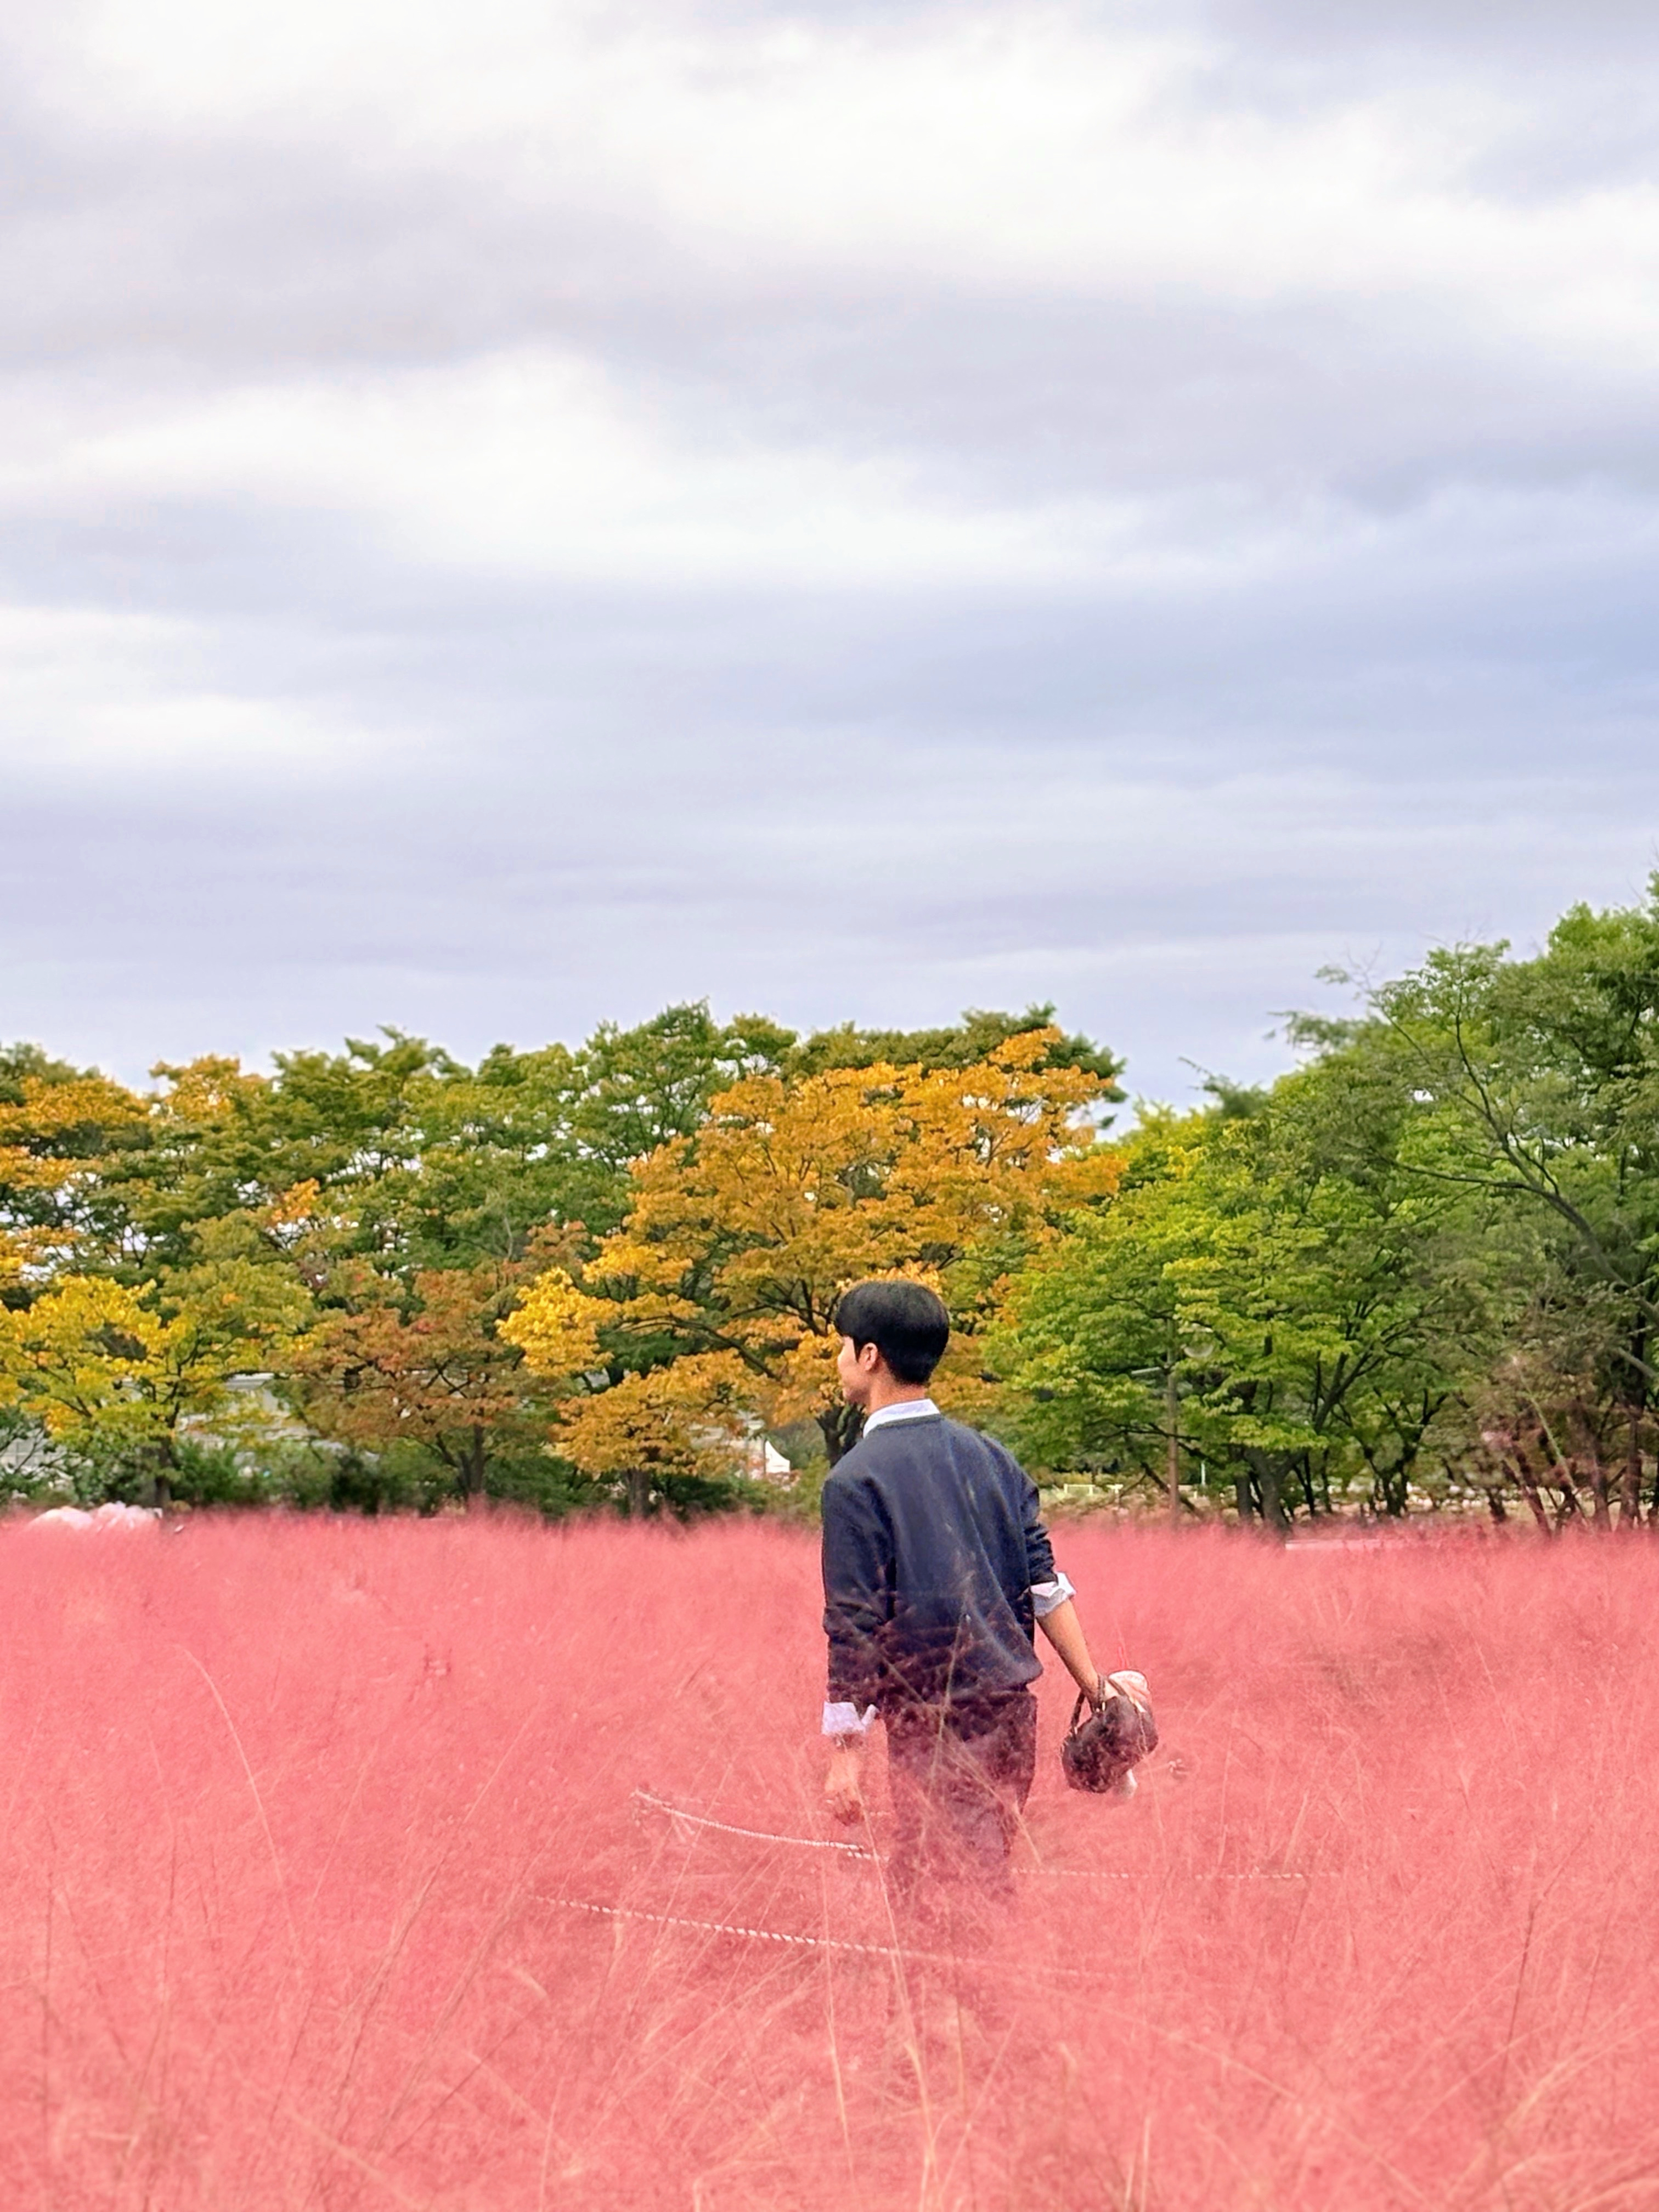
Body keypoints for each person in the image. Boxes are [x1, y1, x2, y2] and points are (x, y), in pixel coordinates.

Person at [820, 1278, 1112, 1894]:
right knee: (976, 1874)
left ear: (870, 1357)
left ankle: (978, 1991)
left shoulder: (855, 1482)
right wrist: (1097, 1692)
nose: (839, 1360)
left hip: (935, 1722)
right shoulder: (992, 1457)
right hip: (1013, 1717)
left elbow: (854, 1621)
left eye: (844, 1346)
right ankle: (975, 1988)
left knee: (947, 1900)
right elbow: (1045, 1584)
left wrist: (846, 1754)